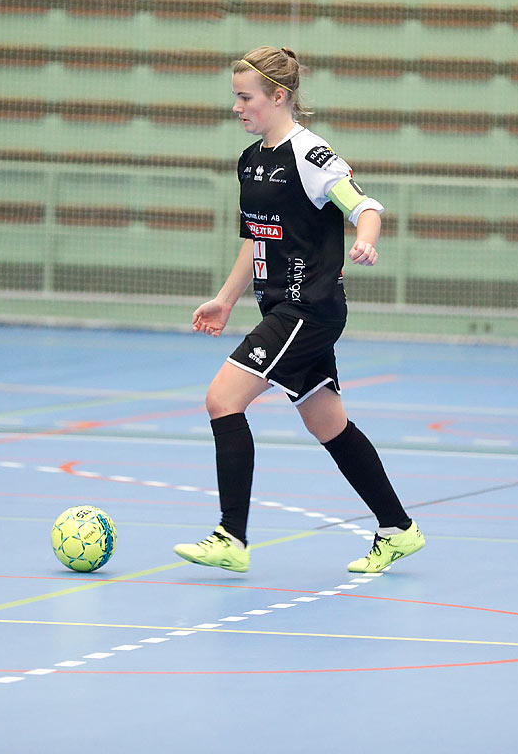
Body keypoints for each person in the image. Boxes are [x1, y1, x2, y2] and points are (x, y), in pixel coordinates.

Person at [175, 46, 424, 574]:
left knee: (222, 399)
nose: (237, 108)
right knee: (327, 422)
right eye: (235, 97)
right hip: (281, 307)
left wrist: (368, 239)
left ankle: (230, 537)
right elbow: (255, 240)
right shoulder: (251, 160)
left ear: (278, 96)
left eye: (246, 98)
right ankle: (397, 527)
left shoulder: (310, 156)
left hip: (306, 309)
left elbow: (365, 205)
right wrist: (225, 299)